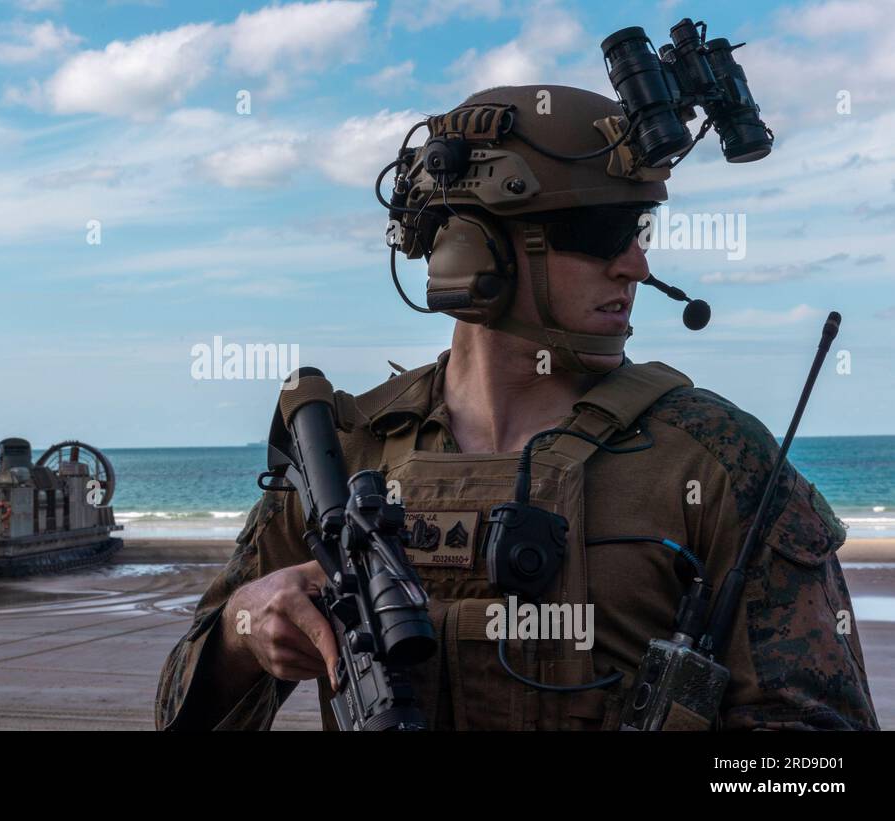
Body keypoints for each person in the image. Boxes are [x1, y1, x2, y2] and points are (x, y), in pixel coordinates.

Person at [155, 85, 878, 731]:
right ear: (477, 250)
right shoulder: (343, 455)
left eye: (641, 230)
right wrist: (243, 632)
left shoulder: (716, 457)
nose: (635, 264)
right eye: (599, 233)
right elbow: (179, 710)